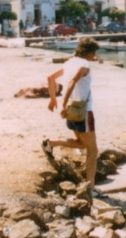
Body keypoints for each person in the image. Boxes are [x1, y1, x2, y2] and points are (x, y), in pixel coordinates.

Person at [43, 39, 100, 188]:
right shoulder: (84, 64)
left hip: (70, 110)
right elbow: (73, 81)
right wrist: (61, 104)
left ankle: (52, 143)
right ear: (89, 53)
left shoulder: (69, 62)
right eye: (94, 53)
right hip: (82, 111)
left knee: (82, 144)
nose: (94, 56)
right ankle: (91, 188)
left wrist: (53, 100)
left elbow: (50, 78)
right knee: (93, 150)